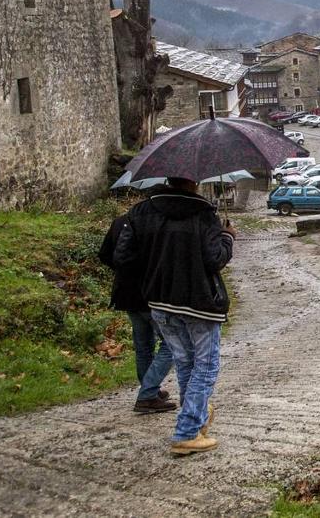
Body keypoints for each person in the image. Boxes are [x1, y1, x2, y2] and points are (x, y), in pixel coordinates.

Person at [115, 176, 235, 456]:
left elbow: (124, 256)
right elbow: (215, 258)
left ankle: (198, 414)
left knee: (185, 363)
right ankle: (187, 430)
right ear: (193, 181)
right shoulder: (204, 214)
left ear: (167, 178)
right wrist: (228, 236)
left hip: (159, 300)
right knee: (205, 366)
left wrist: (157, 264)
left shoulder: (141, 212)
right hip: (199, 303)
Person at [99, 213, 177, 414]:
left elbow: (105, 255)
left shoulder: (119, 222)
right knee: (171, 344)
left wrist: (124, 273)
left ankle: (149, 390)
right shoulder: (154, 221)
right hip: (150, 294)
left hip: (125, 293)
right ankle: (148, 393)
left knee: (143, 345)